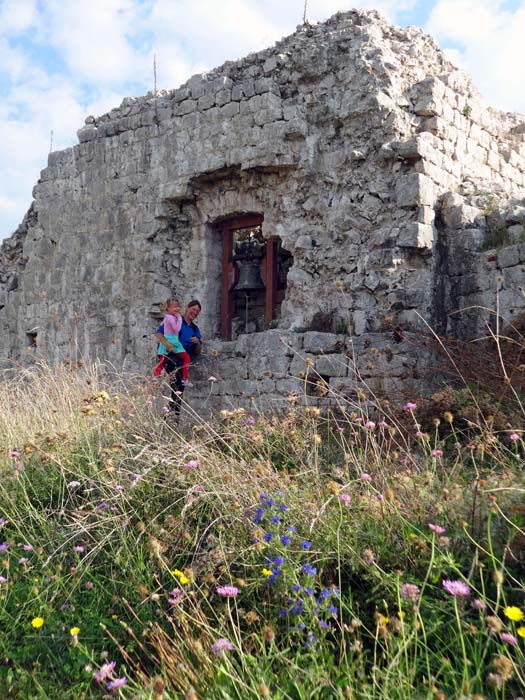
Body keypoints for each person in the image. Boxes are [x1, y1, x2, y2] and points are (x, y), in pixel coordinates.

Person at [154, 300, 202, 417]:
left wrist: (197, 343)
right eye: (193, 309)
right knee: (175, 389)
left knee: (178, 391)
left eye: (197, 311)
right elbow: (159, 334)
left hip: (182, 361)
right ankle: (170, 417)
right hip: (171, 358)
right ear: (187, 308)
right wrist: (168, 345)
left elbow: (198, 351)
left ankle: (171, 418)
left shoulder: (195, 329)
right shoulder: (173, 319)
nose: (194, 313)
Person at [154, 297, 192, 386]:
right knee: (186, 358)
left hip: (170, 338)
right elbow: (177, 329)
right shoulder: (172, 318)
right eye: (174, 307)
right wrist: (179, 318)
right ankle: (184, 378)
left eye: (178, 306)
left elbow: (162, 324)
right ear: (168, 308)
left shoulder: (167, 317)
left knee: (162, 360)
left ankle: (156, 376)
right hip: (172, 340)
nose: (177, 309)